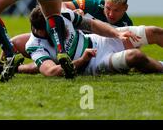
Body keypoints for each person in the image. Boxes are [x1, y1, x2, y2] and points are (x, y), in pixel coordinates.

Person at [25, 5, 163, 77]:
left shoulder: (60, 15)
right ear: (42, 31)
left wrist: (116, 34)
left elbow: (91, 25)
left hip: (99, 41)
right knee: (135, 56)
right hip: (93, 63)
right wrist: (82, 60)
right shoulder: (35, 46)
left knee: (154, 32)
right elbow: (51, 72)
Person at [63, 0, 133, 27]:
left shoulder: (127, 25)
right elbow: (62, 5)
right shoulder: (89, 3)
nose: (111, 14)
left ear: (125, 8)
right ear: (104, 2)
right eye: (108, 8)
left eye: (116, 10)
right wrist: (72, 13)